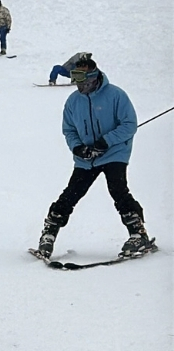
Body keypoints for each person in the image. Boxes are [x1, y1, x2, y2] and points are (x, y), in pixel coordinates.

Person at [35, 59, 154, 259]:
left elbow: (129, 125)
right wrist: (78, 148)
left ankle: (138, 234)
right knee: (72, 193)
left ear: (93, 77)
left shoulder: (116, 95)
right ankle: (49, 234)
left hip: (115, 153)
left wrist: (106, 142)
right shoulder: (73, 101)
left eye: (81, 79)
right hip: (86, 158)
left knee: (117, 189)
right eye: (75, 78)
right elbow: (69, 130)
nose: (78, 84)